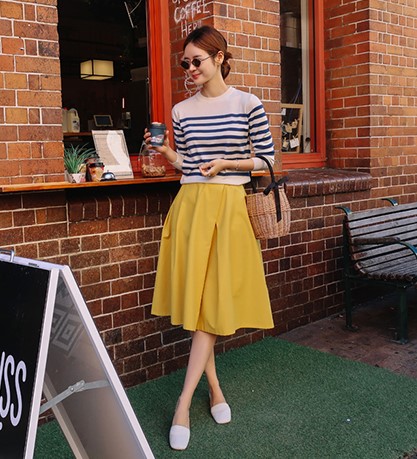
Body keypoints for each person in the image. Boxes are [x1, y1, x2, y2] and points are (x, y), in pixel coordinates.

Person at [144, 25, 275, 451]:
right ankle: (215, 390)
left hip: (229, 209)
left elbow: (267, 161)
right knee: (201, 307)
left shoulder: (247, 103)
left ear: (220, 58)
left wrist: (227, 164)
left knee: (211, 305)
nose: (190, 69)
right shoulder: (181, 111)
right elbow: (188, 164)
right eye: (184, 63)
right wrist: (166, 152)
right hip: (190, 207)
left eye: (196, 60)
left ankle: (183, 403)